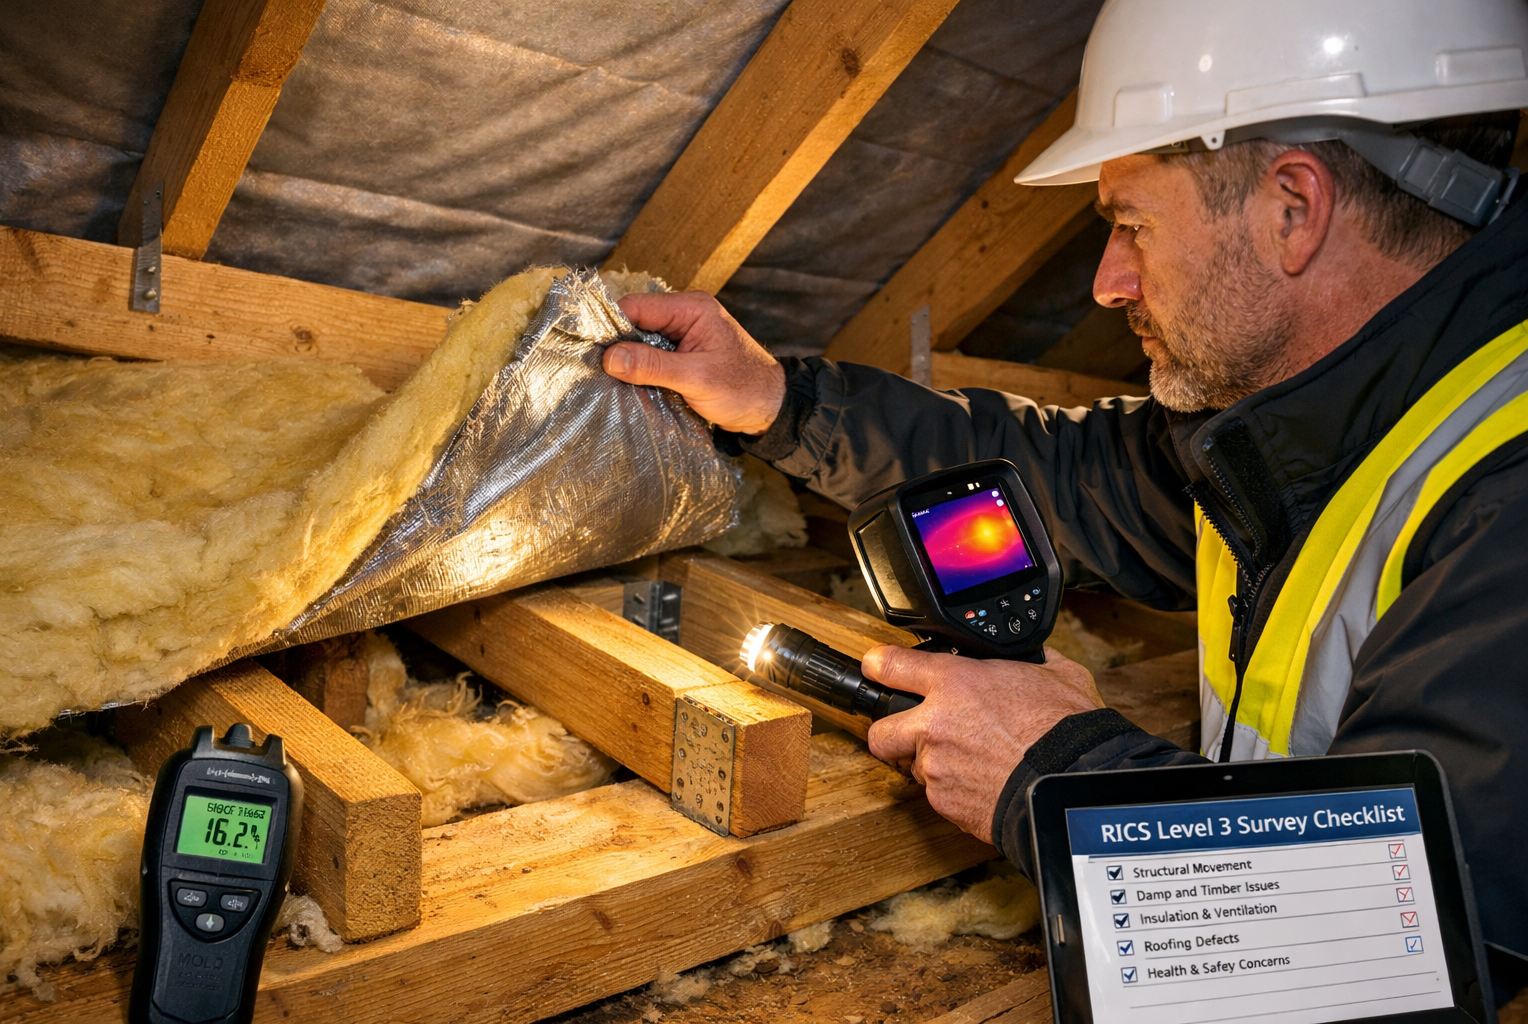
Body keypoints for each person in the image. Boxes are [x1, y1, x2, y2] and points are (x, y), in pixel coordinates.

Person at [603, 0, 1528, 998]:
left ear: (1293, 210)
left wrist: (1052, 775)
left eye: (1131, 225)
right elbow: (1053, 476)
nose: (1105, 283)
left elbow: (1415, 935)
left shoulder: (1504, 493)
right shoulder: (1301, 424)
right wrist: (779, 400)